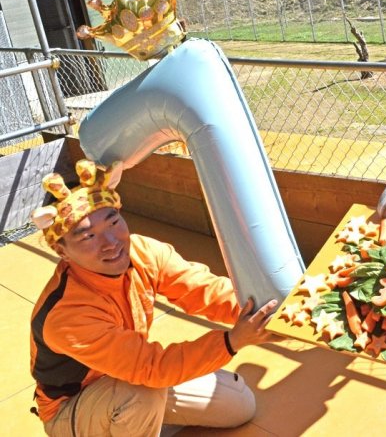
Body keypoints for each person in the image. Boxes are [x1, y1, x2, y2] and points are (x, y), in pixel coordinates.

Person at [29, 159, 282, 436]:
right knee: (140, 396)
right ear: (63, 252)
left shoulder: (143, 252)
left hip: (127, 376)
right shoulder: (67, 314)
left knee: (239, 404)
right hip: (73, 405)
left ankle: (134, 423)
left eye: (113, 220)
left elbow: (201, 289)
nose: (111, 242)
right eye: (88, 236)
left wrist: (267, 313)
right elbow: (149, 366)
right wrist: (232, 341)